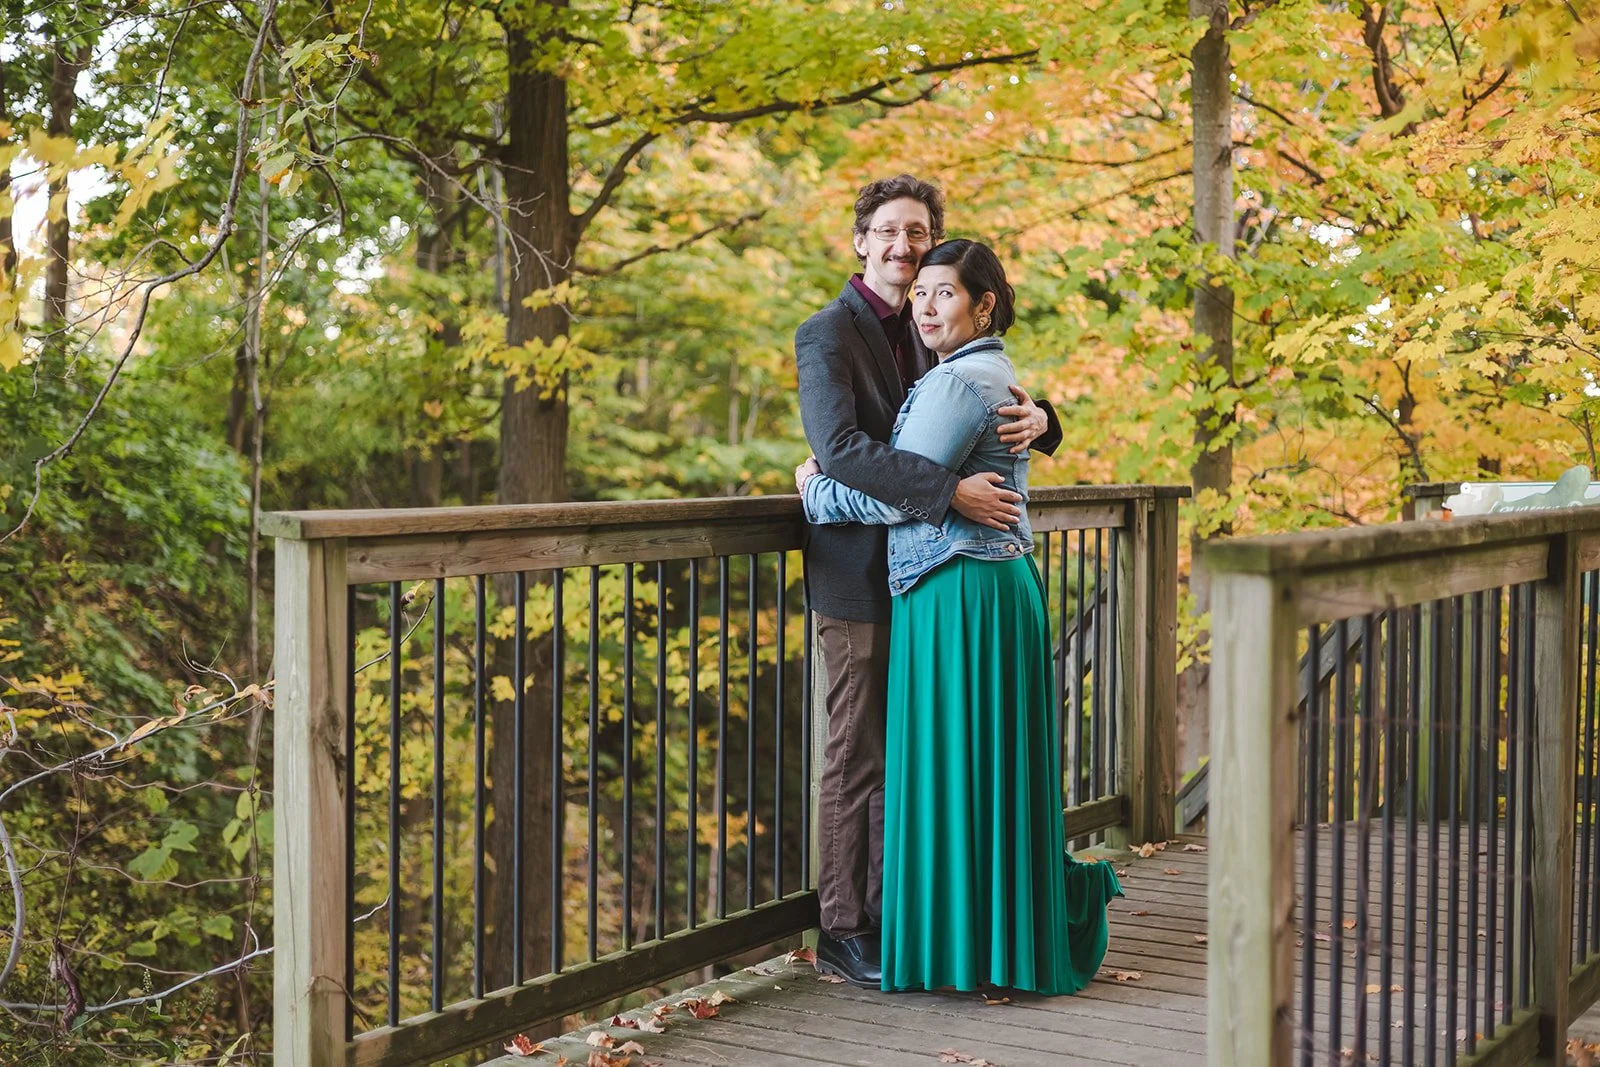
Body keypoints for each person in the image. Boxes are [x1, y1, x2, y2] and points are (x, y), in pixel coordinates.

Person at [797, 239, 1122, 995]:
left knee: (954, 764)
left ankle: (964, 945)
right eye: (923, 294)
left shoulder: (956, 380)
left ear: (984, 306)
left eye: (945, 293)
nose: (927, 303)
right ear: (861, 239)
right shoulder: (975, 368)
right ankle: (996, 941)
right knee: (986, 768)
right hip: (989, 580)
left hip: (957, 589)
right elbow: (916, 464)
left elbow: (890, 491)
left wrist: (814, 492)